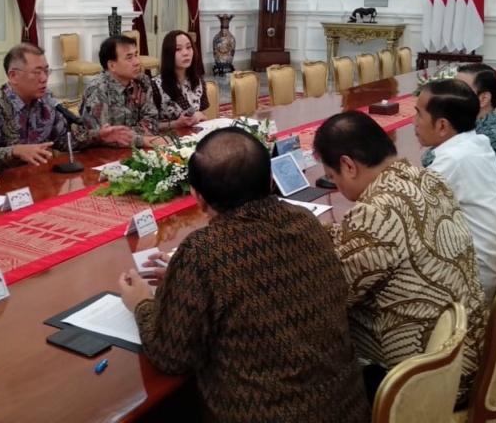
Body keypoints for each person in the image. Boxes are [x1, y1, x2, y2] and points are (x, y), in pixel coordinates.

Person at [118, 128, 369, 423]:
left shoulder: (203, 252)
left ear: (197, 197)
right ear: (270, 180)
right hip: (346, 409)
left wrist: (142, 304)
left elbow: (170, 356)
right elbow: (262, 278)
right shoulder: (306, 221)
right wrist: (181, 280)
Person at [313, 110, 487, 405]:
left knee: (313, 327)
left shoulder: (376, 211)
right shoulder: (429, 179)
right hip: (469, 353)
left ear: (348, 166)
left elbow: (331, 295)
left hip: (434, 379)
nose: (337, 187)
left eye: (332, 177)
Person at [414, 79, 496, 300]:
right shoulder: (478, 142)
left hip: (476, 277)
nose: (414, 122)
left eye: (419, 114)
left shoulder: (453, 160)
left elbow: (409, 211)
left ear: (442, 126)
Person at [0, 43, 131, 171]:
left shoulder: (47, 101)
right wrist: (15, 151)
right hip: (0, 185)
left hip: (37, 178)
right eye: (37, 72)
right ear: (13, 76)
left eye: (47, 71)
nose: (44, 79)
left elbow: (61, 140)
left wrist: (98, 136)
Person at [421, 63, 496, 216]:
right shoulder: (491, 121)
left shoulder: (491, 136)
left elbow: (430, 165)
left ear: (483, 99)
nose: (453, 96)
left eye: (462, 91)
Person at [79, 35, 160, 148]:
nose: (137, 62)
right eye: (129, 57)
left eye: (136, 55)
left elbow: (152, 122)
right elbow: (104, 137)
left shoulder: (142, 82)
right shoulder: (97, 90)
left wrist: (132, 138)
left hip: (136, 150)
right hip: (102, 157)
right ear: (112, 66)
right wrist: (141, 140)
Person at [151, 30, 209, 130]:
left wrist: (200, 116)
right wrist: (176, 124)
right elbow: (148, 126)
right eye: (178, 49)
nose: (186, 53)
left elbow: (205, 116)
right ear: (168, 54)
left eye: (189, 47)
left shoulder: (199, 82)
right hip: (168, 139)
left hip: (193, 136)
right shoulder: (155, 85)